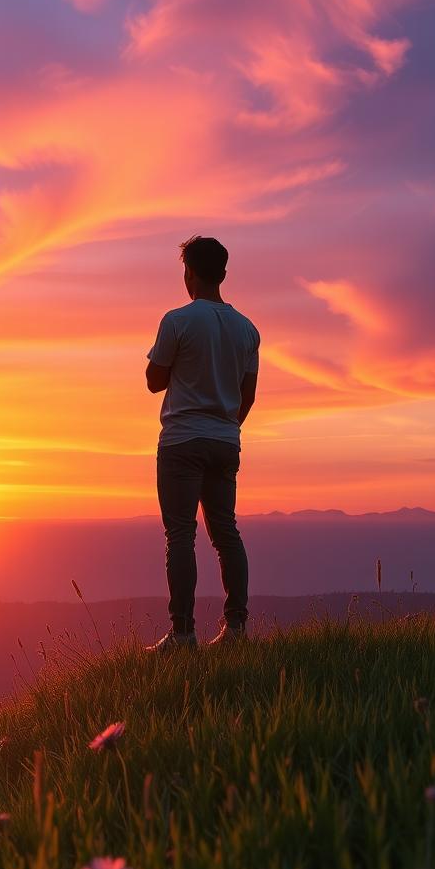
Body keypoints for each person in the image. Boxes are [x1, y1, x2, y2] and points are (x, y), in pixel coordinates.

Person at [145, 235, 260, 650]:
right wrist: (227, 425)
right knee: (226, 531)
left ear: (188, 273)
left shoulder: (176, 321)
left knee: (180, 535)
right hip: (226, 440)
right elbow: (248, 395)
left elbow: (153, 381)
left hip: (181, 441)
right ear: (224, 274)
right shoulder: (247, 329)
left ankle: (182, 635)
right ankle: (237, 629)